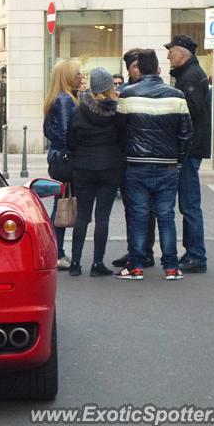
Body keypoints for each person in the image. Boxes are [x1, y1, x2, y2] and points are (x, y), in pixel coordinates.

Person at [115, 49, 193, 280]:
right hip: (167, 165)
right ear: (158, 69)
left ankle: (136, 266)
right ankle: (171, 267)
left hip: (136, 165)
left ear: (140, 69)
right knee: (166, 216)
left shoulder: (128, 94)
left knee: (139, 216)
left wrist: (126, 155)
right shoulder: (177, 95)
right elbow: (187, 134)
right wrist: (178, 161)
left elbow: (119, 131)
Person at [66, 68, 124, 277]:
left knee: (82, 216)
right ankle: (97, 263)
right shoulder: (116, 112)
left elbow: (70, 141)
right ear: (109, 88)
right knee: (102, 217)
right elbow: (123, 139)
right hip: (110, 167)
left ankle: (75, 263)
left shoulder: (78, 111)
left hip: (83, 167)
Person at [166, 34, 210, 273]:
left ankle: (196, 255)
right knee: (188, 203)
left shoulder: (191, 76)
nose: (168, 56)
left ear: (182, 53)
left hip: (189, 148)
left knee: (189, 204)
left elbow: (190, 111)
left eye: (171, 51)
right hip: (191, 147)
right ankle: (193, 252)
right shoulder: (190, 74)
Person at [112, 48, 157, 270]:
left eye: (140, 65)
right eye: (134, 66)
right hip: (128, 157)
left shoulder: (153, 89)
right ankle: (135, 250)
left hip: (147, 158)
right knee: (133, 209)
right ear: (128, 69)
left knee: (148, 209)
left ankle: (144, 252)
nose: (138, 70)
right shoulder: (124, 92)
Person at [43, 59, 83, 270]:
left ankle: (55, 251)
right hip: (67, 159)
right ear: (68, 76)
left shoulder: (57, 98)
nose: (81, 77)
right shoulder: (66, 100)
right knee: (64, 206)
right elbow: (69, 133)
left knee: (62, 204)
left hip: (58, 157)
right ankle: (57, 253)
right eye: (77, 73)